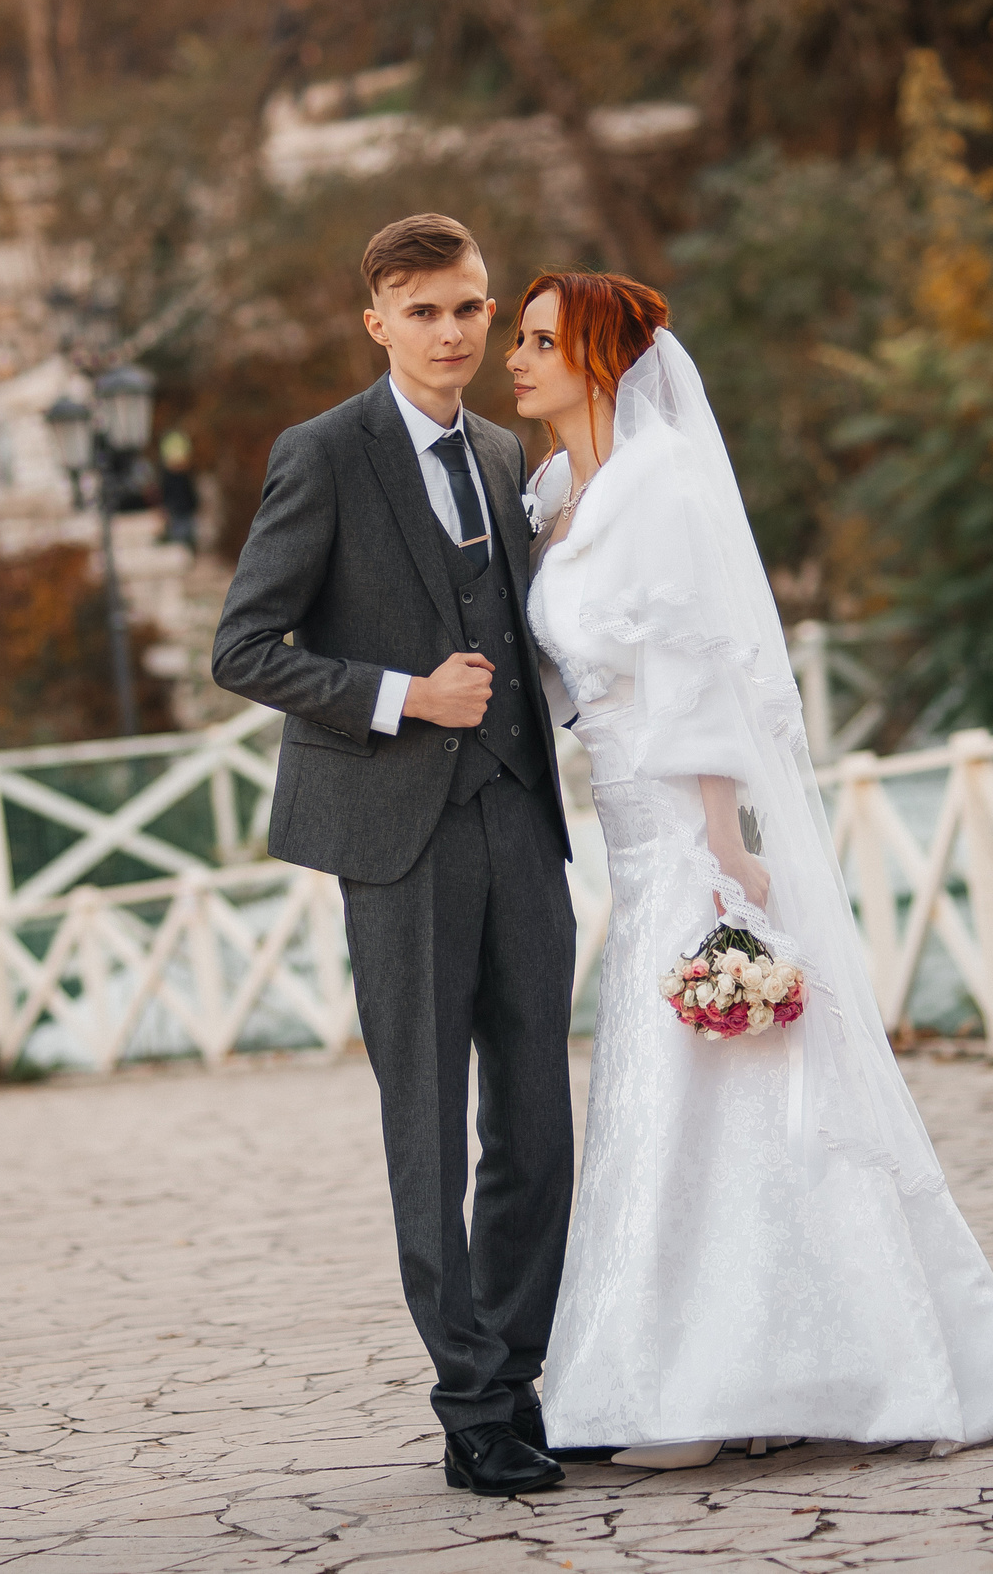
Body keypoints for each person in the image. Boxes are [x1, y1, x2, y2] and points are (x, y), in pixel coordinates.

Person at [505, 271, 993, 1468]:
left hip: (677, 818)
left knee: (721, 1072)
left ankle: (718, 1384)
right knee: (678, 1086)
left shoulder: (657, 491)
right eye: (520, 336)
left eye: (542, 340)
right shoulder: (561, 493)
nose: (517, 357)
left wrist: (727, 847)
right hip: (617, 815)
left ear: (603, 360)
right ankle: (734, 1371)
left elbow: (703, 664)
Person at [210, 215, 576, 1498]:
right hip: (395, 837)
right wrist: (403, 698)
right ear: (378, 321)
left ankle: (523, 1379)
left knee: (536, 1118)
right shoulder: (320, 455)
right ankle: (470, 1406)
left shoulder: (501, 451)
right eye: (424, 311)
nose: (455, 332)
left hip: (521, 820)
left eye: (471, 308)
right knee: (428, 1121)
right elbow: (245, 648)